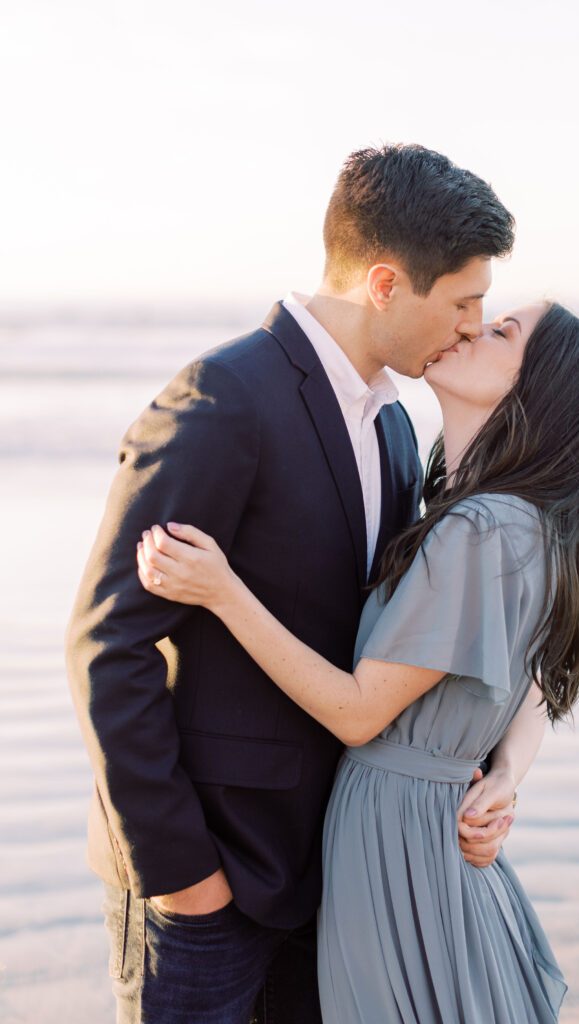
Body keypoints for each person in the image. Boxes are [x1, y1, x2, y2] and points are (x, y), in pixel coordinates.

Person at [65, 143, 522, 1023]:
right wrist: (183, 875)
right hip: (203, 884)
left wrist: (491, 774)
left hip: (324, 881)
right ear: (386, 284)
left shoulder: (392, 425)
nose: (471, 325)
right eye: (463, 302)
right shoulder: (222, 397)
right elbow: (108, 644)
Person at [136, 300, 579, 1023]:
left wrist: (222, 592)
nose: (469, 327)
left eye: (499, 332)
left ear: (536, 388)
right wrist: (507, 777)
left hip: (401, 842)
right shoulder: (519, 519)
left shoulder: (481, 528)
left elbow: (359, 712)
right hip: (423, 834)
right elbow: (534, 687)